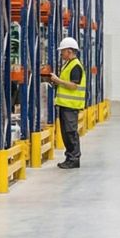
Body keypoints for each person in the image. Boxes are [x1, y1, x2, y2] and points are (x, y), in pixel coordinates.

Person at [49, 37, 86, 168]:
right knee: (66, 133)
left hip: (71, 106)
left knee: (70, 132)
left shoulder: (75, 66)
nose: (61, 54)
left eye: (63, 51)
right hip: (65, 104)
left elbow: (73, 86)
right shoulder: (68, 64)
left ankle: (74, 158)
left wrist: (58, 81)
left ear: (69, 51)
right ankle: (70, 157)